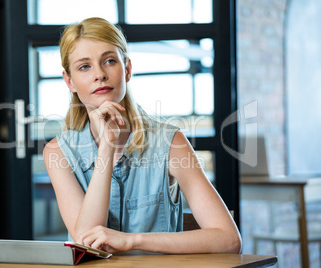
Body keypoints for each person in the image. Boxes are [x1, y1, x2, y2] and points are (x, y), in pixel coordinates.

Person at [43, 17, 241, 254]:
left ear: (126, 69)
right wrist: (107, 146)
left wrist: (132, 240)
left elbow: (229, 240)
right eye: (84, 66)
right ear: (69, 81)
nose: (99, 75)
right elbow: (87, 244)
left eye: (109, 61)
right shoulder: (58, 152)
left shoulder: (171, 143)